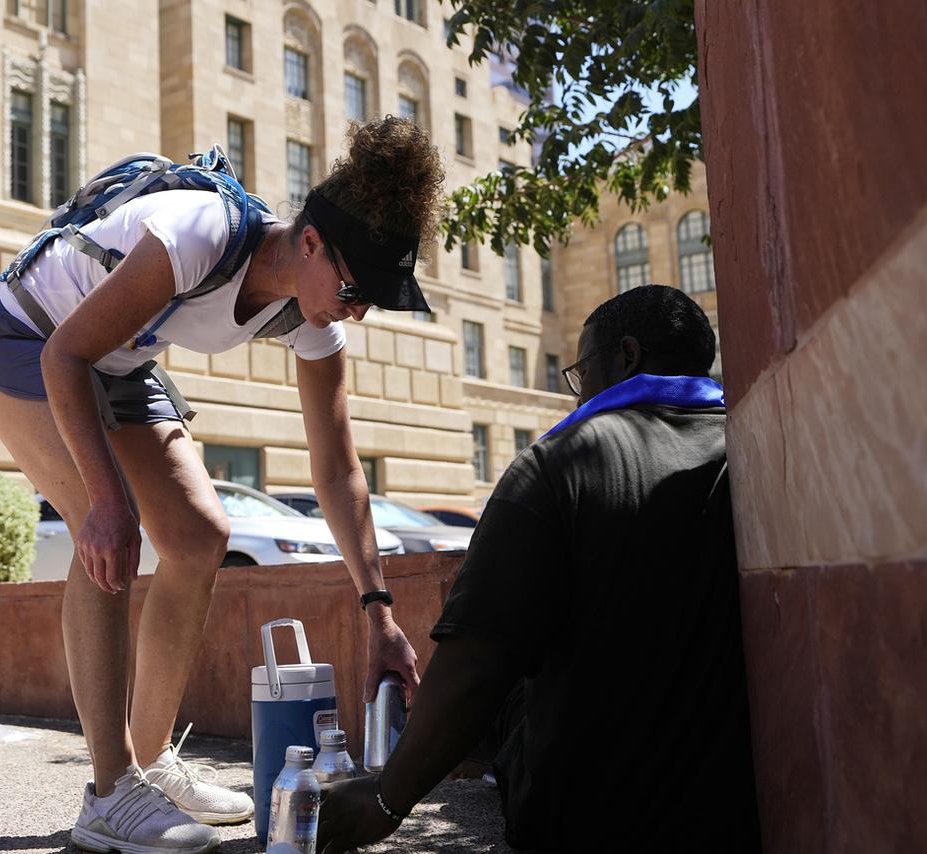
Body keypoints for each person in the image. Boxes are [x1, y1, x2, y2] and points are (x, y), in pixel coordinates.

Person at [0, 117, 440, 854]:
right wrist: (110, 502)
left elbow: (338, 470)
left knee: (198, 535)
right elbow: (64, 355)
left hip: (114, 361)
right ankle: (110, 794)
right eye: (352, 289)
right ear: (309, 240)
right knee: (102, 521)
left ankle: (148, 765)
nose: (355, 310)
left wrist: (377, 609)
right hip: (25, 339)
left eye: (369, 299)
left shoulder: (310, 319)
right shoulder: (200, 234)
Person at [318, 285, 761, 853]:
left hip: (587, 817)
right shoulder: (755, 445)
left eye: (582, 372)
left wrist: (386, 798)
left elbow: (476, 663)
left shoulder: (560, 463)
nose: (576, 395)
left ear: (625, 357)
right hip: (729, 807)